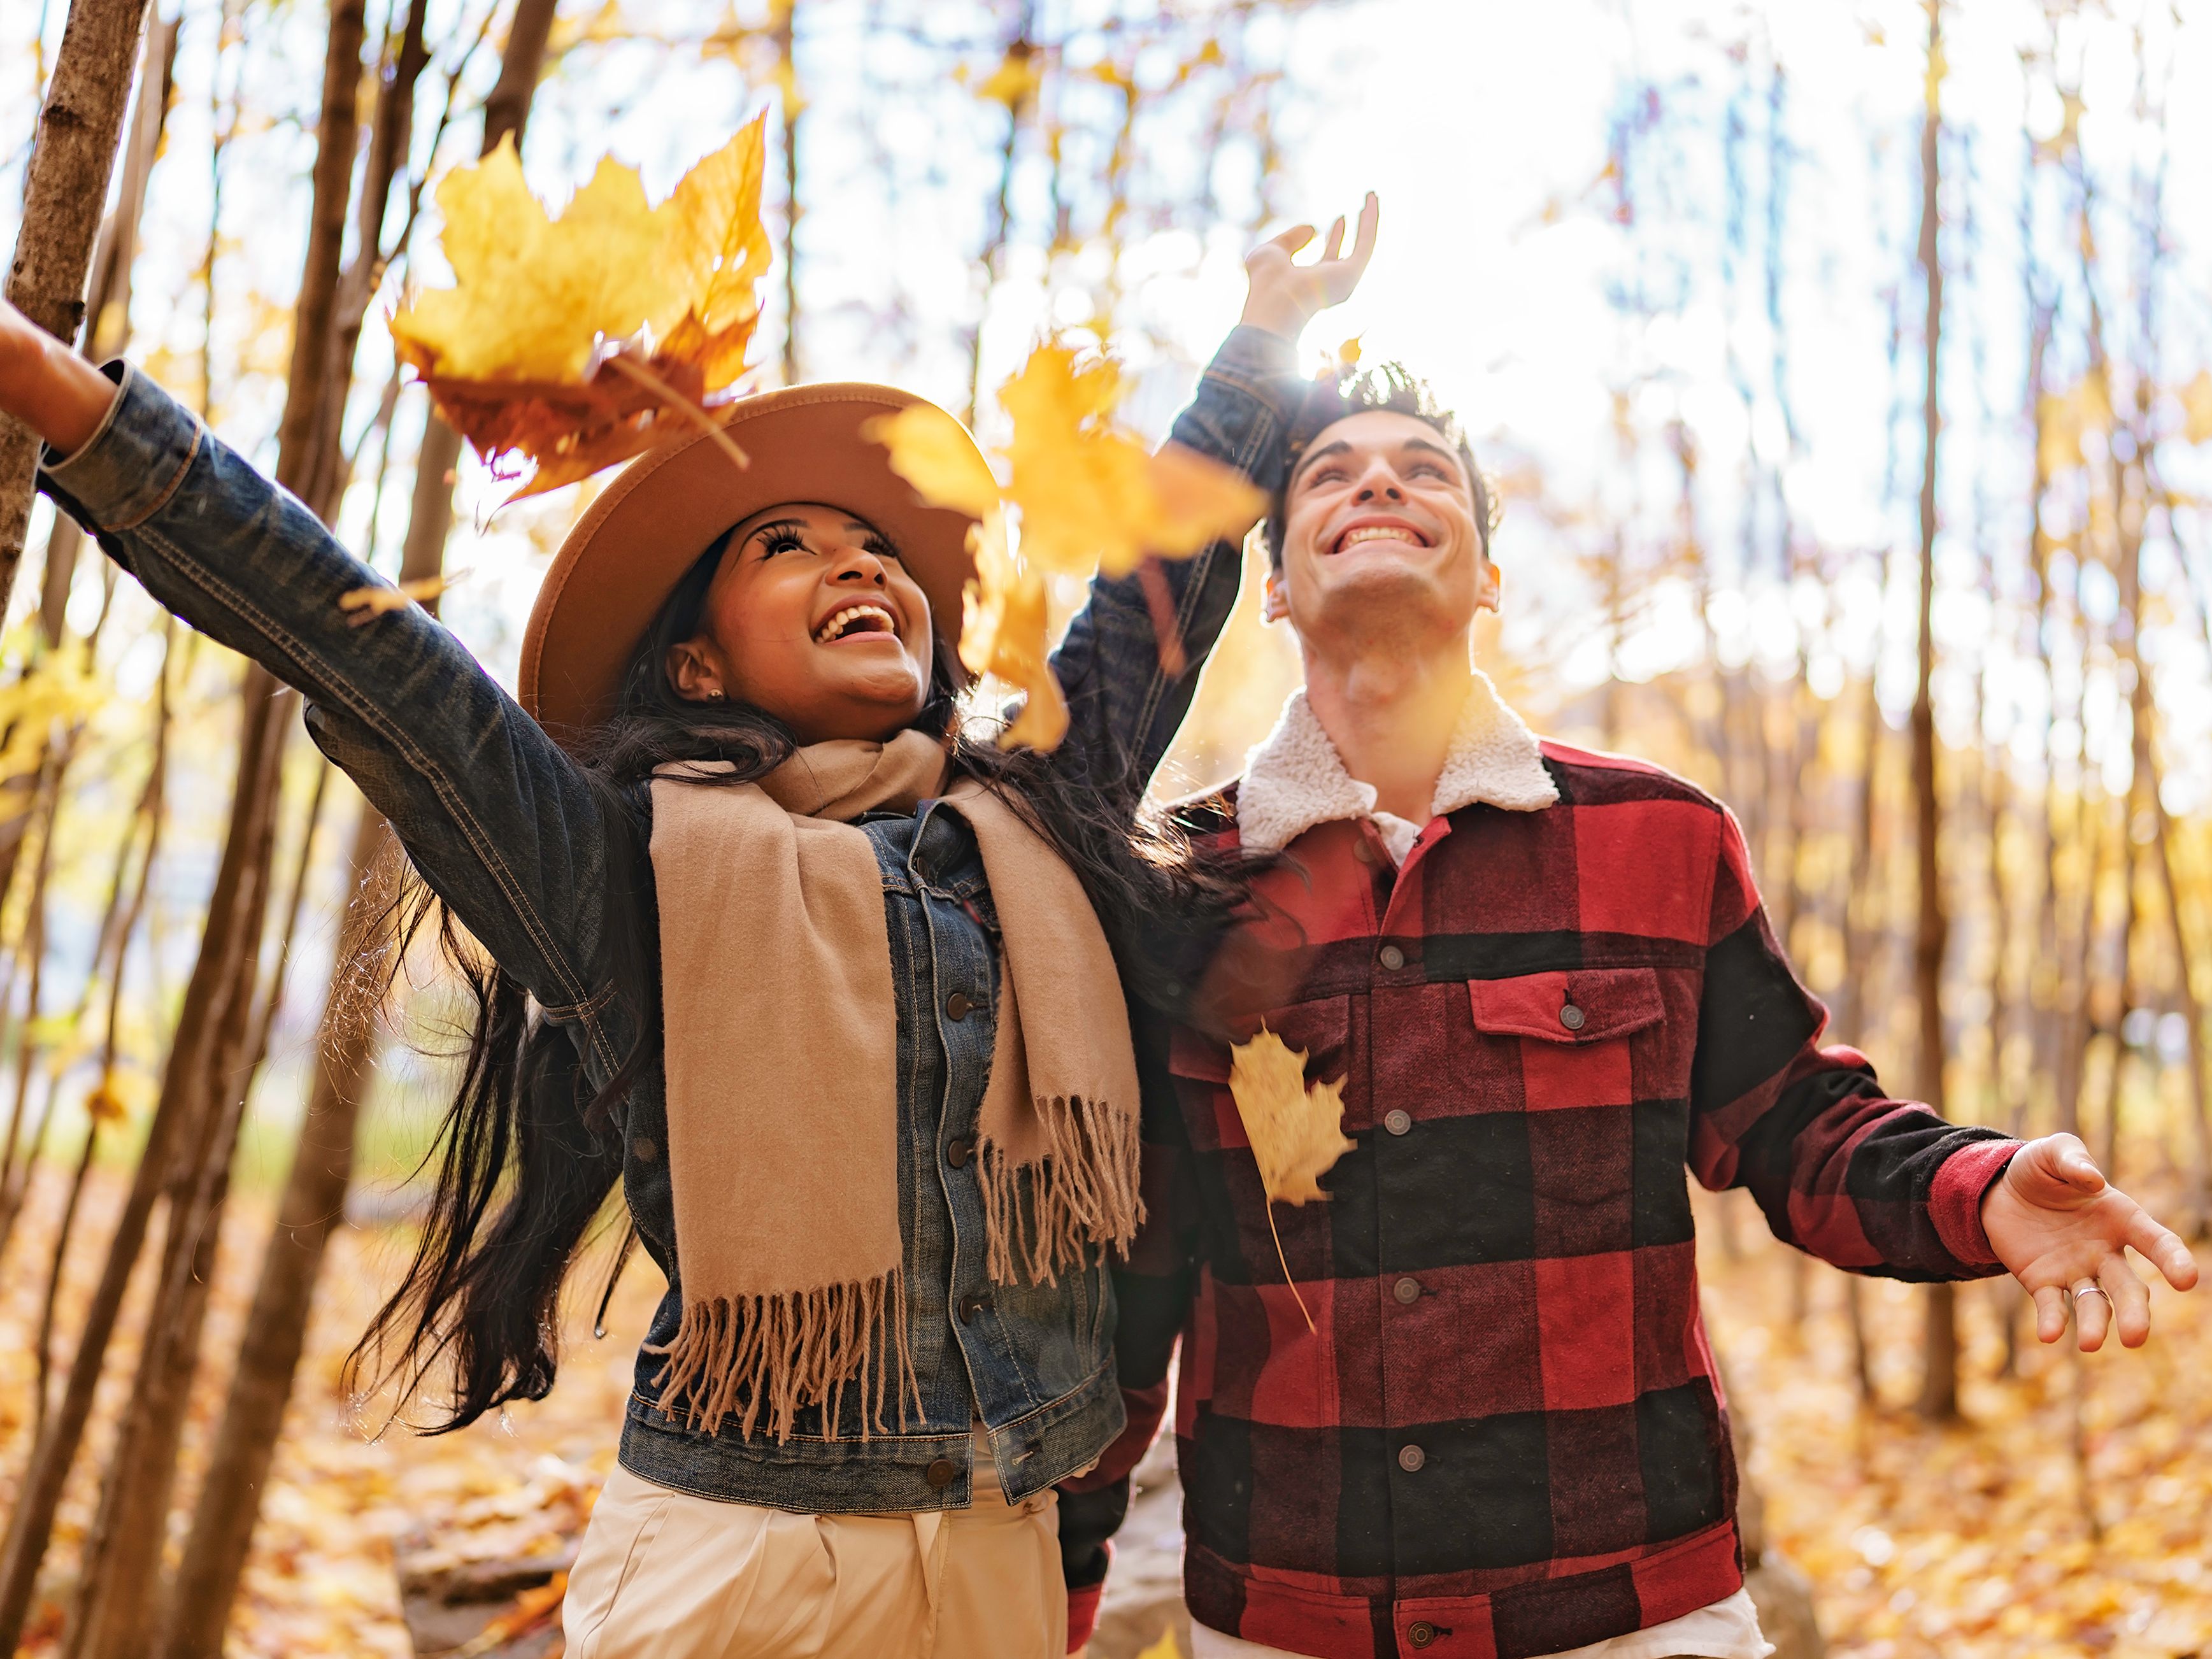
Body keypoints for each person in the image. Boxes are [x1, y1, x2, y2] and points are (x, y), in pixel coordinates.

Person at [0, 194, 1376, 1659]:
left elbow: (1156, 580)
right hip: (738, 1564)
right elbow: (385, 671)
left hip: (1000, 1555)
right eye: (789, 544)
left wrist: (1264, 330)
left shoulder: (1037, 813)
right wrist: (70, 404)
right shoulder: (627, 870)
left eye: (879, 548)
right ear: (698, 664)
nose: (863, 565)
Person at [1057, 362, 2202, 1659]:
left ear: (1488, 576)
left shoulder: (1659, 835)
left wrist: (1978, 1188)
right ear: (1270, 583)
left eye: (1423, 471)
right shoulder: (1179, 884)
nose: (1378, 482)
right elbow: (1131, 1272)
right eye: (1331, 473)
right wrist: (1066, 1575)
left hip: (1637, 1618)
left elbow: (1796, 1122)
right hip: (1286, 1620)